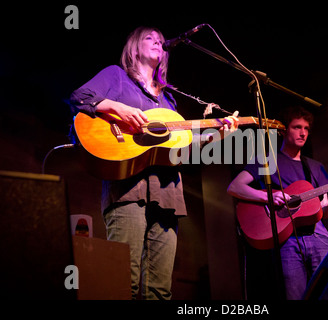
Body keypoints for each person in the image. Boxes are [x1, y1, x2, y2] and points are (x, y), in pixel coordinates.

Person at [70, 26, 238, 300]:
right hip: (127, 191)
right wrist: (116, 107)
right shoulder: (117, 76)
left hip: (168, 195)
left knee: (160, 291)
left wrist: (215, 136)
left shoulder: (169, 100)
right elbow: (79, 98)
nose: (158, 43)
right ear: (134, 46)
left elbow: (180, 150)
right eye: (150, 38)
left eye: (161, 41)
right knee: (124, 283)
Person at [227, 106, 328, 300]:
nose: (303, 133)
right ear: (284, 130)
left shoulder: (315, 167)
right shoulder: (267, 160)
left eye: (306, 128)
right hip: (286, 241)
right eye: (297, 127)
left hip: (317, 236)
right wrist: (267, 197)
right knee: (295, 296)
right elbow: (235, 187)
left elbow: (324, 211)